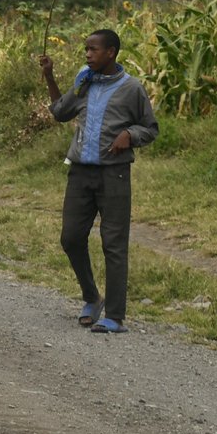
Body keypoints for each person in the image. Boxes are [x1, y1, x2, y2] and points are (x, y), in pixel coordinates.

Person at [39, 28, 158, 335]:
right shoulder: (85, 83)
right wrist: (50, 76)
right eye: (86, 49)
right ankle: (92, 297)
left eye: (93, 50)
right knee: (70, 238)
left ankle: (115, 317)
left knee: (114, 245)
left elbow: (151, 128)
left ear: (111, 53)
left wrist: (129, 135)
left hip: (114, 175)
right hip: (80, 173)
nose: (88, 54)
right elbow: (60, 112)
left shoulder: (131, 88)